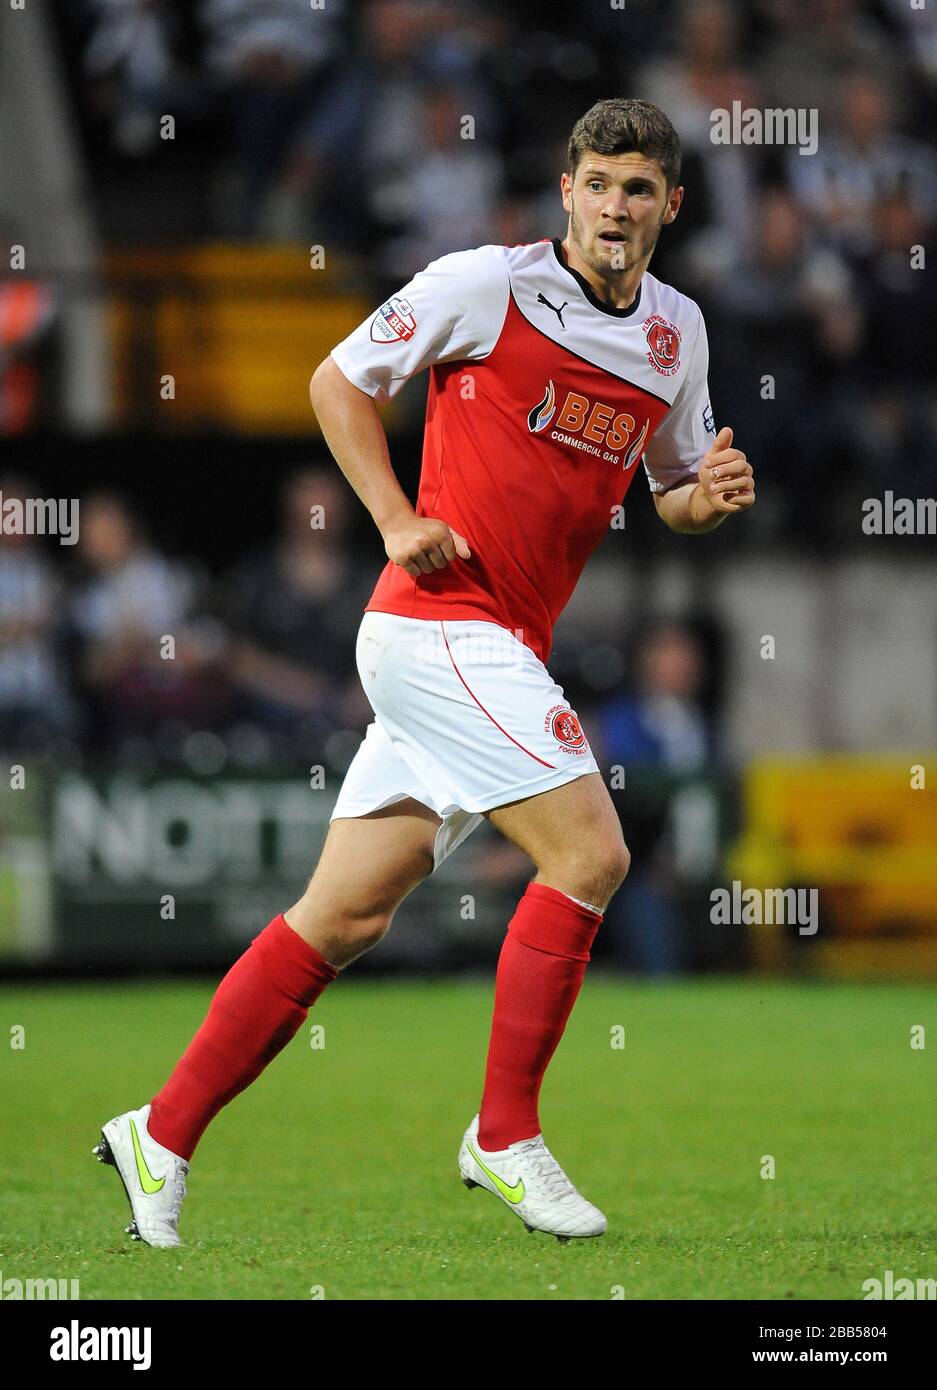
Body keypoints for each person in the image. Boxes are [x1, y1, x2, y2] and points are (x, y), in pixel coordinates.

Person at [94, 97, 755, 1247]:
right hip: (439, 625)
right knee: (592, 851)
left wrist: (704, 499)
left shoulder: (678, 333)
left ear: (670, 206)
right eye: (596, 183)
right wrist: (395, 515)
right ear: (564, 191)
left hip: (491, 650)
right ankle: (504, 1134)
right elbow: (337, 382)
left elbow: (669, 488)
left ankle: (162, 1130)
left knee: (341, 917)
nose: (614, 207)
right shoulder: (484, 284)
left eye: (637, 189)